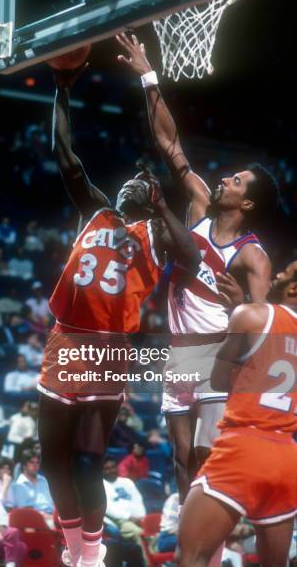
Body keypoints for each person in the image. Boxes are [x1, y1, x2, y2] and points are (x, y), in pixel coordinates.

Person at [38, 68, 200, 567]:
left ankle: (92, 553)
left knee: (87, 465)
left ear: (151, 203)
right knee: (52, 464)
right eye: (130, 179)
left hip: (108, 347)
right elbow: (66, 158)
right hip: (64, 340)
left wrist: (162, 203)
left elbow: (192, 259)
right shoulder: (98, 211)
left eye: (142, 182)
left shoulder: (156, 235)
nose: (132, 182)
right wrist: (62, 91)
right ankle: (76, 551)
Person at [116, 32, 280, 503]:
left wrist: (239, 307)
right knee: (177, 459)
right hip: (178, 353)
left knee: (202, 459)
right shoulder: (200, 203)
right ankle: (195, 546)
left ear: (246, 202)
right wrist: (148, 75)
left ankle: (213, 544)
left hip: (215, 357)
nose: (226, 177)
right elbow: (169, 142)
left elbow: (263, 323)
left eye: (237, 180)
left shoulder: (253, 255)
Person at [177, 259, 297, 567]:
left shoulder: (251, 315)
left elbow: (218, 380)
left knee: (191, 557)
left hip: (244, 445)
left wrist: (236, 311)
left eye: (284, 272)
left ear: (293, 287)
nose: (277, 274)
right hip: (287, 455)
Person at [102, 457, 146, 565]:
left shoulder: (127, 482)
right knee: (140, 534)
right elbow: (108, 509)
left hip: (137, 518)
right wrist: (129, 517)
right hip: (119, 521)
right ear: (102, 471)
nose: (111, 470)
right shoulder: (100, 486)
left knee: (156, 531)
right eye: (106, 468)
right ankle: (147, 563)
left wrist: (141, 516)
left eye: (113, 467)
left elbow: (137, 500)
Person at [11, 451, 54, 516]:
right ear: (24, 465)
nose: (35, 465)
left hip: (52, 516)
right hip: (34, 519)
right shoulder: (18, 485)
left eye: (37, 462)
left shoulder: (44, 480)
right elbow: (26, 510)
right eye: (31, 462)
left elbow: (54, 502)